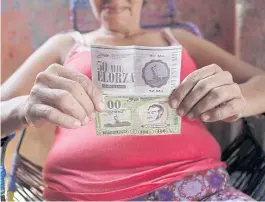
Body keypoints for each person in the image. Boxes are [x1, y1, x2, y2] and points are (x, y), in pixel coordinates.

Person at [1, 0, 265, 200]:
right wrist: (23, 108)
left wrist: (241, 98)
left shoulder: (177, 39)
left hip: (197, 188)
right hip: (80, 194)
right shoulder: (65, 44)